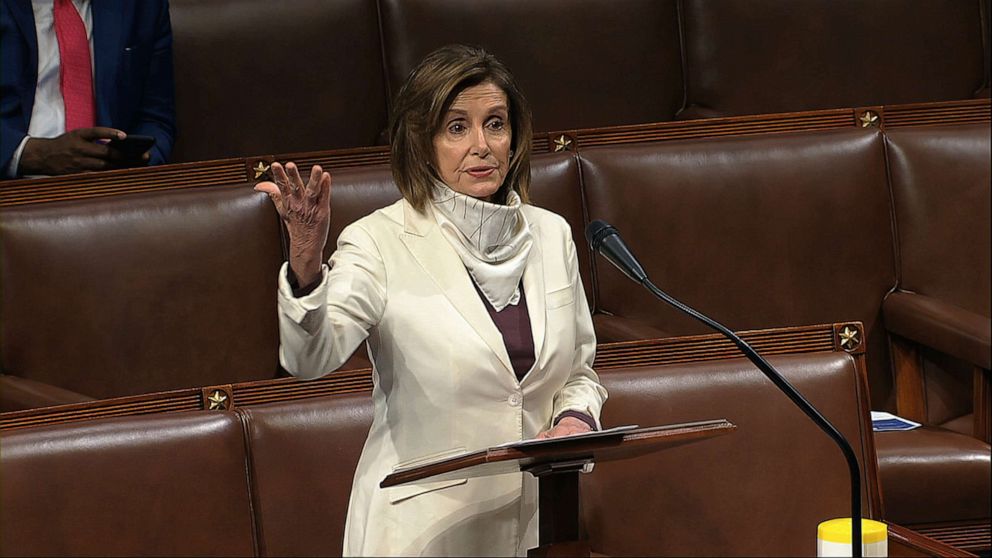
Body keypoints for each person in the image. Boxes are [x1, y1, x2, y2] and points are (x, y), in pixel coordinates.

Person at [256, 44, 607, 557]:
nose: (482, 145)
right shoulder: (378, 241)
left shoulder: (551, 235)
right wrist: (307, 267)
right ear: (422, 143)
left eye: (496, 123)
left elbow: (579, 372)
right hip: (421, 535)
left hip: (537, 527)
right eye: (457, 127)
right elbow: (311, 359)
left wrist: (576, 419)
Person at [0, 0, 175, 178]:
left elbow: (155, 118)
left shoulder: (141, 6)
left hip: (109, 190)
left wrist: (131, 167)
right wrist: (29, 155)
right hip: (13, 186)